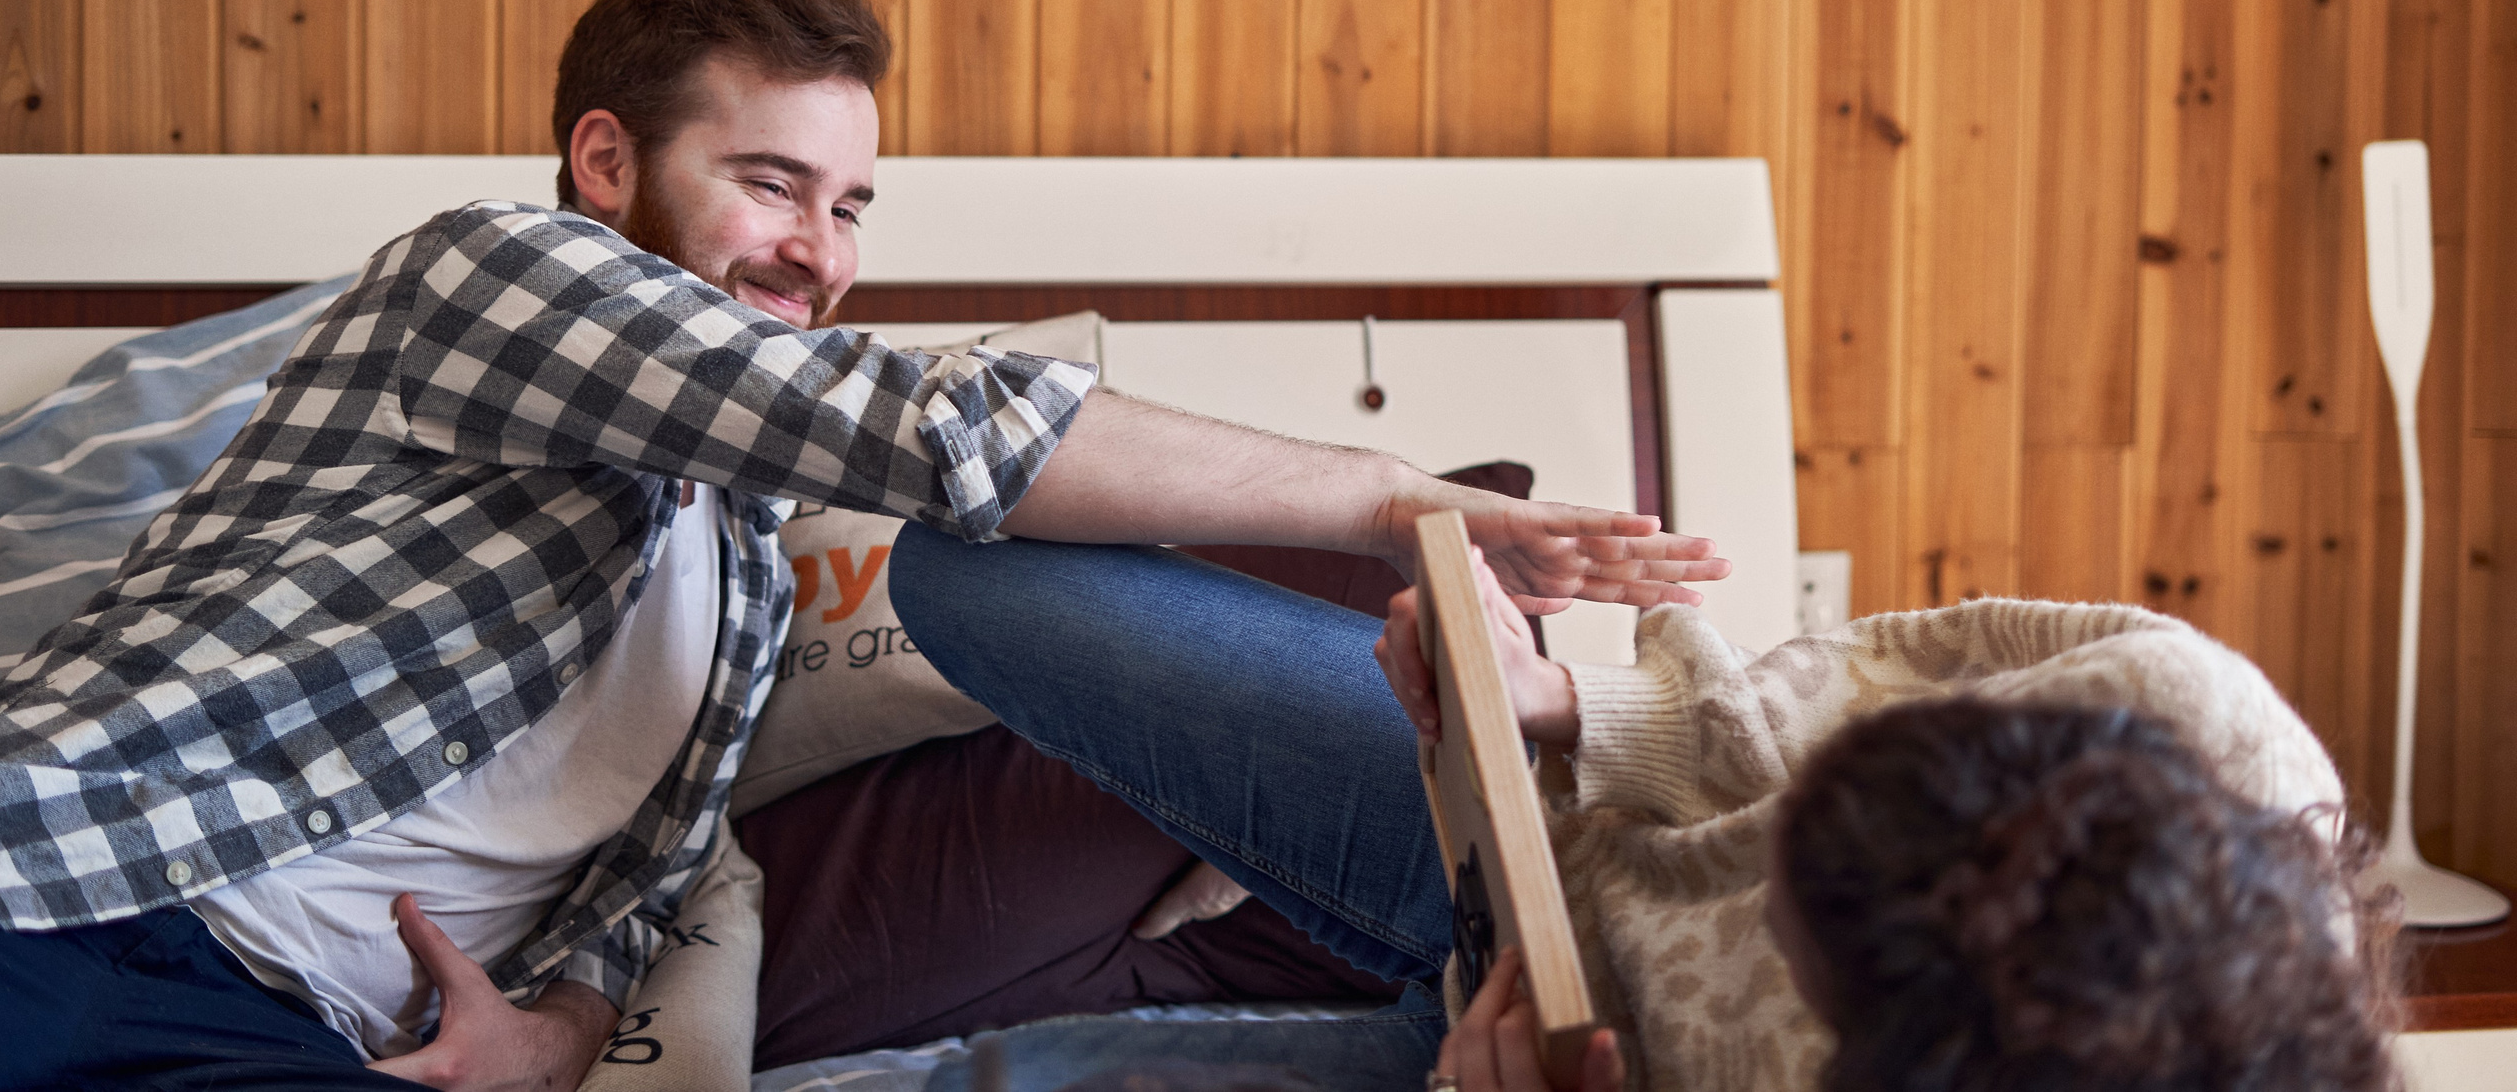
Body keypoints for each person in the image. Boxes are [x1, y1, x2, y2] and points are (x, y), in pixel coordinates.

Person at [0, 0, 1730, 1092]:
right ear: (604, 166)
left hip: (292, 1045)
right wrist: (1388, 500)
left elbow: (639, 876)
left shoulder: (735, 565)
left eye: (856, 200)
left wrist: (564, 1033)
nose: (823, 250)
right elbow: (911, 417)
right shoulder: (485, 276)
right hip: (51, 893)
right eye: (771, 184)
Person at [890, 534, 2400, 1092]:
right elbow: (1878, 669)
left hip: (1542, 1066)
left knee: (994, 1083)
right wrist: (1576, 712)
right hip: (1532, 833)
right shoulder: (2191, 709)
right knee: (971, 572)